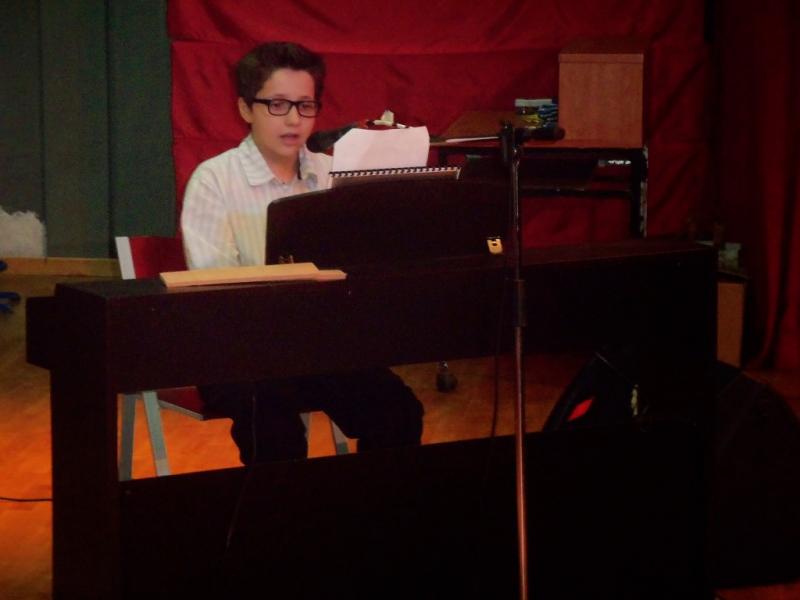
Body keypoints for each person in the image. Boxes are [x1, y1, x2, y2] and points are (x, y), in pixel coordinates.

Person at [180, 41, 424, 464]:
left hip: (319, 344)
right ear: (245, 108)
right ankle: (285, 508)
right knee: (276, 430)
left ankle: (378, 506)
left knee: (397, 412)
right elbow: (213, 286)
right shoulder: (214, 180)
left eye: (305, 106)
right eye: (277, 105)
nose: (294, 119)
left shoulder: (331, 175)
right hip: (239, 351)